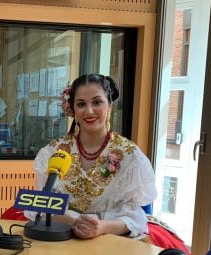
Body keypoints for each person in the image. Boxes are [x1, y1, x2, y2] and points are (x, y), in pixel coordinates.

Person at [28, 74, 157, 240]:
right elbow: (41, 203)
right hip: (59, 235)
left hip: (111, 240)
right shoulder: (52, 152)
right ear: (72, 109)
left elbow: (134, 217)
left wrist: (102, 227)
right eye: (81, 104)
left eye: (97, 102)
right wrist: (72, 220)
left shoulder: (130, 157)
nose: (89, 111)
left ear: (109, 105)